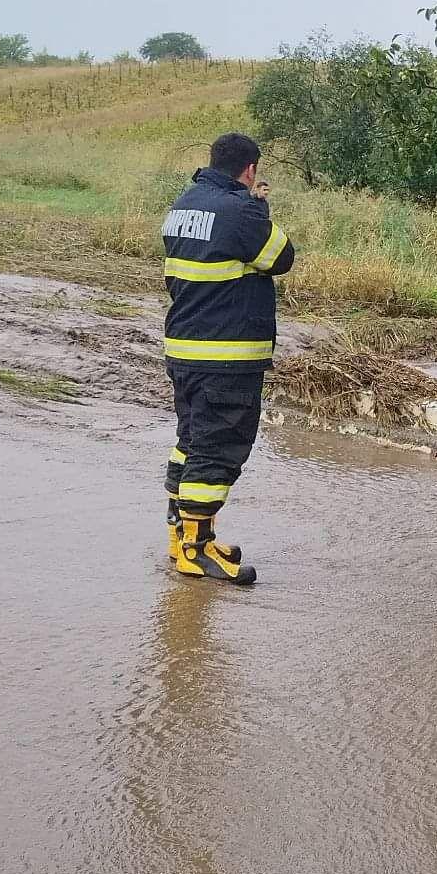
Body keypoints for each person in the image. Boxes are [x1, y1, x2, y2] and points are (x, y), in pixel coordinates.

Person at [161, 131, 295, 584]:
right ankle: (196, 553)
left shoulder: (183, 205)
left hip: (184, 350)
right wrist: (257, 205)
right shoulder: (240, 211)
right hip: (226, 356)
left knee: (191, 443)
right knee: (217, 450)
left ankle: (183, 537)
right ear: (251, 169)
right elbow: (280, 256)